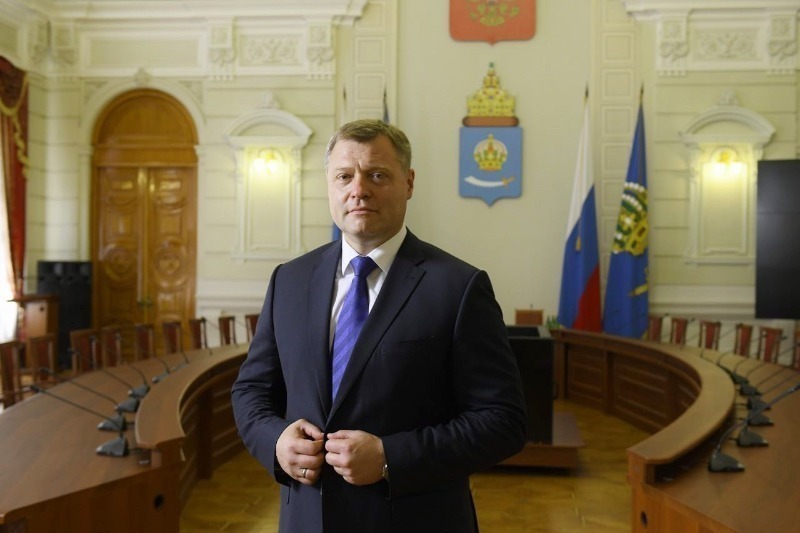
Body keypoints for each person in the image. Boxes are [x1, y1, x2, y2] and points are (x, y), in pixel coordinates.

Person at [231, 119, 528, 532]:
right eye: (344, 176)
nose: (359, 189)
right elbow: (251, 391)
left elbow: (503, 420)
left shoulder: (459, 287)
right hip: (306, 520)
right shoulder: (290, 281)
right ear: (330, 185)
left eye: (376, 175)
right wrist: (276, 441)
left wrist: (392, 457)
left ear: (409, 182)